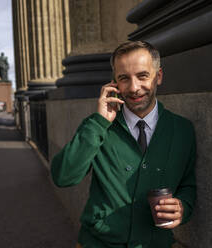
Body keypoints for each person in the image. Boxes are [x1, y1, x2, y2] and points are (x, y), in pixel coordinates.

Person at [51, 41, 196, 248]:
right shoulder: (97, 127)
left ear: (159, 77)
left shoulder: (182, 130)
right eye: (124, 78)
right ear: (114, 83)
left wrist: (183, 207)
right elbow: (63, 176)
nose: (134, 88)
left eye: (143, 76)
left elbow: (188, 185)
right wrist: (99, 123)